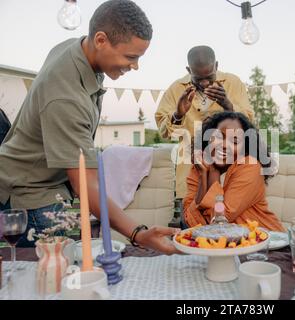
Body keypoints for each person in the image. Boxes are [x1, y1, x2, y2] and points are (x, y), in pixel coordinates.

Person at [0, 0, 178, 253]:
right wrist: (139, 233)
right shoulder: (66, 96)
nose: (135, 66)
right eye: (130, 57)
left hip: (37, 182)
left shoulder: (77, 49)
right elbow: (86, 185)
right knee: (53, 279)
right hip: (31, 194)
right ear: (101, 40)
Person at [155, 46, 255, 199]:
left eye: (209, 76)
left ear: (216, 66)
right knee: (191, 221)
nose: (204, 83)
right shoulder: (176, 89)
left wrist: (228, 106)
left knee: (228, 220)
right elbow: (165, 133)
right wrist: (178, 115)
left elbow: (249, 125)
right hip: (190, 177)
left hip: (230, 176)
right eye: (198, 78)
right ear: (189, 70)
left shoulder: (233, 83)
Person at [183, 111, 284, 232]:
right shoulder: (199, 168)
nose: (225, 145)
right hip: (223, 246)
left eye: (235, 141)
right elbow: (192, 224)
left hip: (268, 244)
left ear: (244, 148)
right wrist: (202, 177)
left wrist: (213, 173)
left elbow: (221, 218)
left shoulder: (250, 166)